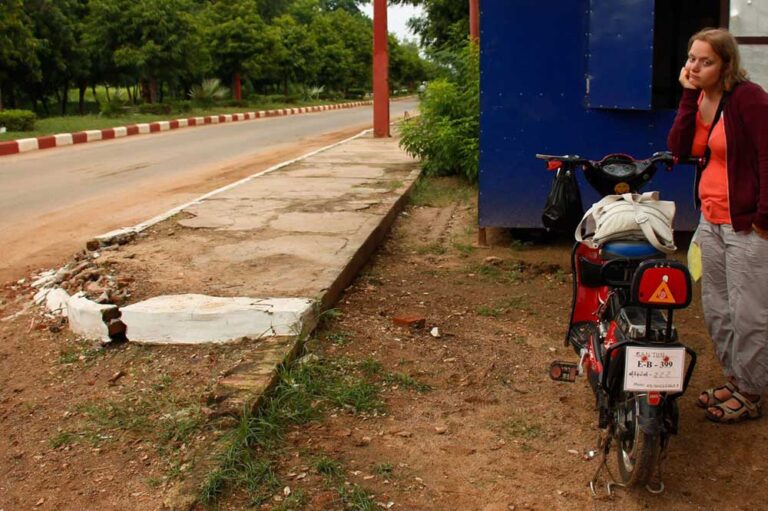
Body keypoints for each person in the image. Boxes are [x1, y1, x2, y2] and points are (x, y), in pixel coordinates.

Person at [667, 27, 768, 424]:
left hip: (747, 225)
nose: (694, 66)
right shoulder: (701, 97)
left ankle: (751, 392)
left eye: (705, 61)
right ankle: (736, 378)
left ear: (725, 65)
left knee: (749, 314)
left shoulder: (749, 100)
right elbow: (678, 148)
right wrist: (689, 94)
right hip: (711, 221)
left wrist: (764, 218)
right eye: (691, 58)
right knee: (718, 310)